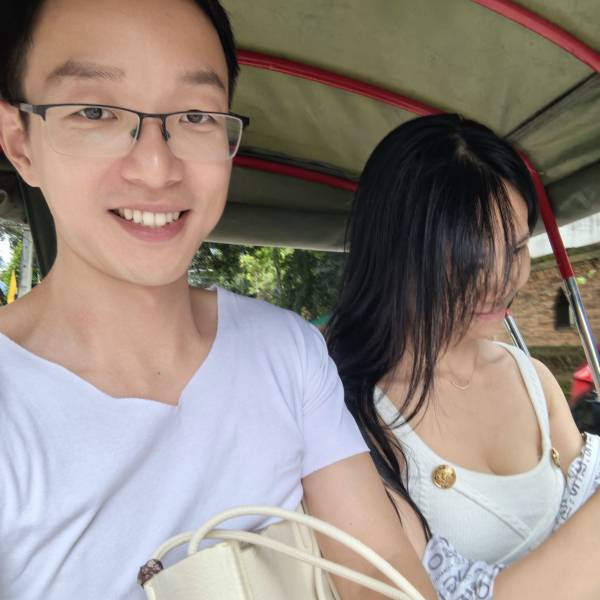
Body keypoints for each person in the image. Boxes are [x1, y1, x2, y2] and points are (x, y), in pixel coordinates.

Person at [0, 2, 439, 599]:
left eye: (196, 116)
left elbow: (381, 571)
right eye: (95, 111)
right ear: (20, 142)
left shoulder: (287, 352)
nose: (156, 168)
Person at [327, 114, 600, 599]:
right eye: (467, 259)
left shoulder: (533, 378)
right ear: (395, 255)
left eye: (515, 250)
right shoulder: (349, 417)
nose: (500, 282)